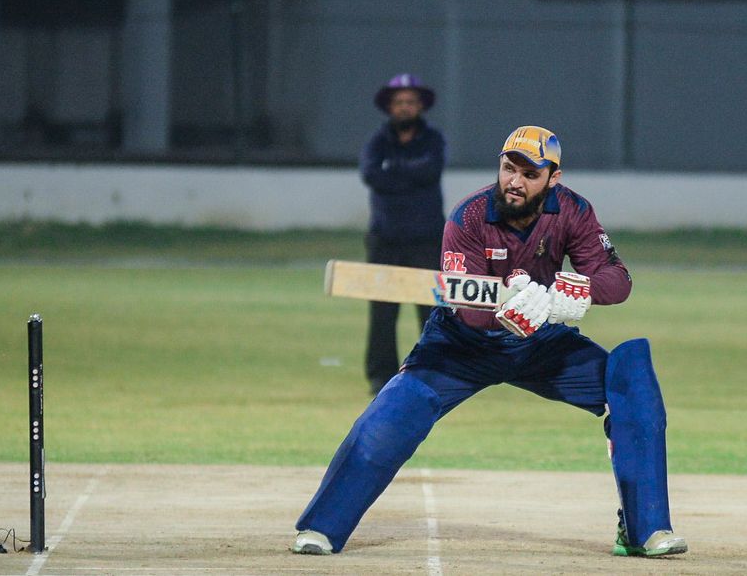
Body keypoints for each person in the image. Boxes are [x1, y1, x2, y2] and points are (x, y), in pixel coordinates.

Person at [293, 126, 687, 558]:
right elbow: (467, 307)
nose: (515, 181)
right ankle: (322, 527)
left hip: (541, 344)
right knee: (397, 409)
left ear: (553, 178)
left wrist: (578, 291)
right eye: (508, 168)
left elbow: (618, 279)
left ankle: (644, 529)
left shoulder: (573, 210)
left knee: (631, 383)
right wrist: (510, 305)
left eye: (529, 174)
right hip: (460, 345)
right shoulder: (468, 217)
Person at [360, 73, 447, 395]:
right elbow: (370, 175)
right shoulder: (377, 141)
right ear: (389, 107)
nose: (405, 107)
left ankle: (433, 370)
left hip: (427, 238)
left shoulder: (433, 140)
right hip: (385, 239)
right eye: (399, 102)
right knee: (382, 312)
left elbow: (431, 171)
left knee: (432, 312)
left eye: (410, 102)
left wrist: (393, 172)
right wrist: (411, 174)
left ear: (420, 106)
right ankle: (380, 375)